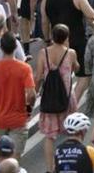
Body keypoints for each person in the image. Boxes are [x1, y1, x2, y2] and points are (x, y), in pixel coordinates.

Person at [36, 24, 79, 170]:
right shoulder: (71, 53)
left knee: (50, 136)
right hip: (67, 98)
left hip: (50, 97)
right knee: (72, 131)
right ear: (67, 37)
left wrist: (35, 92)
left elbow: (39, 75)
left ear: (53, 37)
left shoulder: (43, 53)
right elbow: (76, 67)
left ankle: (50, 168)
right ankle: (70, 164)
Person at [0, 33, 35, 158]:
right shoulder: (25, 68)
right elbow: (31, 94)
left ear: (1, 47)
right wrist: (29, 108)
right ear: (15, 47)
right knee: (14, 161)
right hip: (18, 119)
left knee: (0, 159)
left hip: (0, 119)